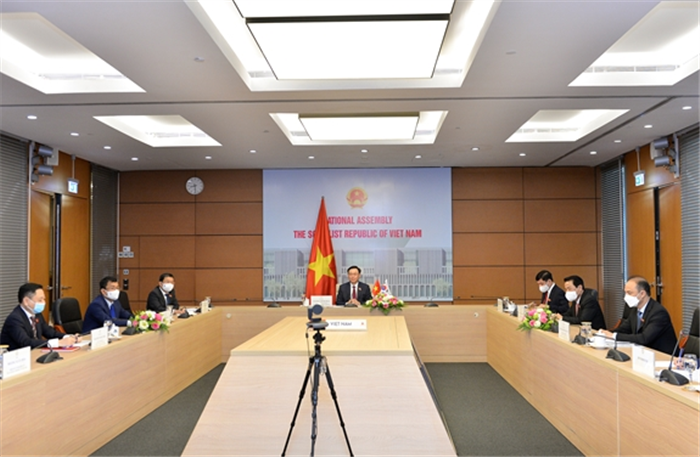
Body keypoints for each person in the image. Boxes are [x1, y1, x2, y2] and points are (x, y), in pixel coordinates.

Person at [599, 276, 677, 354]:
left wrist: (614, 336)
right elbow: (624, 329)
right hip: (643, 353)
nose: (626, 297)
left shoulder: (658, 313)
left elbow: (644, 338)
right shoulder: (634, 309)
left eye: (629, 293)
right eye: (625, 293)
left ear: (642, 294)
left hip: (663, 356)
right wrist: (604, 334)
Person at [0, 283, 78, 350]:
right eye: (40, 300)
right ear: (26, 301)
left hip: (34, 354)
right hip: (16, 358)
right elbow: (26, 342)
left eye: (44, 299)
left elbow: (49, 332)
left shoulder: (36, 314)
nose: (44, 303)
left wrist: (69, 337)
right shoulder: (15, 319)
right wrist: (58, 343)